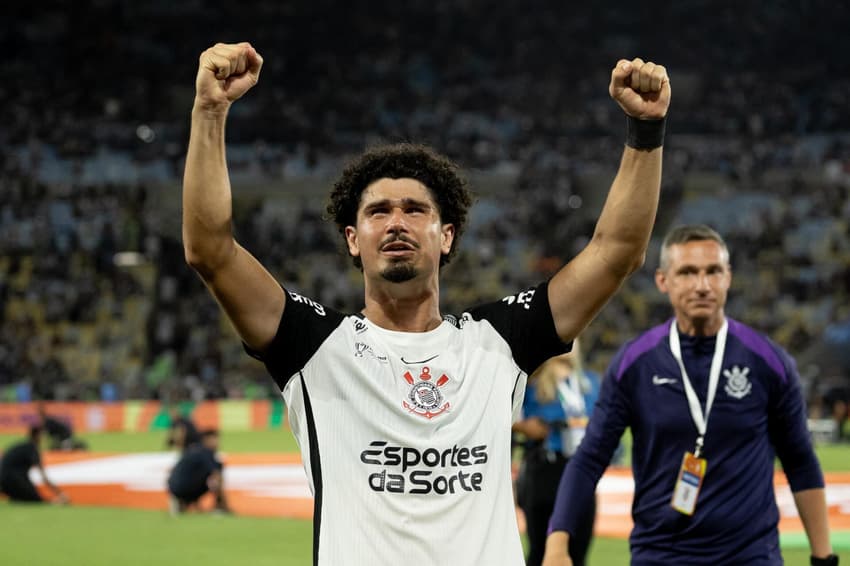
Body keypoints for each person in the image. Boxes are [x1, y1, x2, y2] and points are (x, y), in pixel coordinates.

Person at [182, 41, 669, 565]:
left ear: (447, 236)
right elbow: (211, 250)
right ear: (352, 238)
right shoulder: (313, 344)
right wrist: (210, 111)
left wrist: (645, 133)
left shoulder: (500, 340)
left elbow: (617, 252)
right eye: (378, 212)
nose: (396, 222)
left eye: (416, 210)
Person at [543, 225, 838, 566]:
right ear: (663, 281)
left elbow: (800, 461)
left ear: (728, 277)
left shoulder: (769, 361)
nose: (702, 285)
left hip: (751, 557)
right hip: (660, 556)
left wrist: (823, 557)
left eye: (713, 271)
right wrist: (557, 542)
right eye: (687, 272)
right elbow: (590, 458)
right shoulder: (634, 363)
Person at [514, 339, 600, 566]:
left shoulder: (590, 383)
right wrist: (525, 427)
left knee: (578, 549)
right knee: (541, 550)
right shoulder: (532, 383)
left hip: (581, 469)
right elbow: (507, 417)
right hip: (545, 469)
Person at [167, 429, 230, 515]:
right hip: (186, 488)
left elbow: (172, 470)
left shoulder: (192, 449)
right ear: (206, 439)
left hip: (173, 488)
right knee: (214, 478)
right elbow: (216, 475)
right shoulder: (207, 452)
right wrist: (225, 504)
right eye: (214, 439)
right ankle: (220, 507)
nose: (217, 442)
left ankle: (182, 502)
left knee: (201, 475)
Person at [0, 426, 68, 504]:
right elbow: (44, 477)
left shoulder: (21, 446)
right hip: (14, 481)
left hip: (4, 483)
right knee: (37, 500)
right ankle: (57, 502)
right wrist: (59, 493)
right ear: (38, 436)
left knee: (23, 498)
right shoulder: (32, 450)